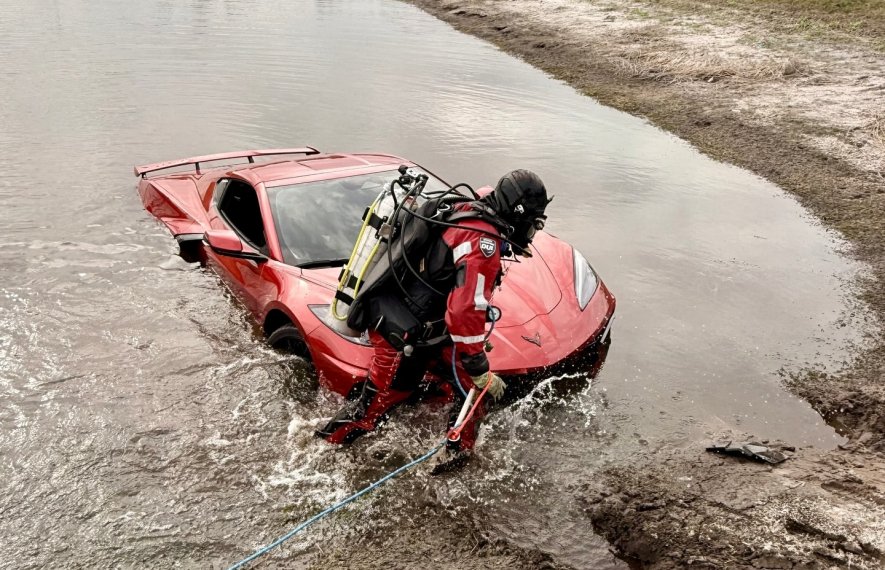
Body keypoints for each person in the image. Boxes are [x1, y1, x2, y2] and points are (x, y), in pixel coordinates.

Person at [316, 169, 551, 469]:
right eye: (534, 223)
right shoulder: (483, 241)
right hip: (400, 332)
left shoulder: (471, 209)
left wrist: (474, 354)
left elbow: (461, 302)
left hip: (427, 325)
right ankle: (321, 450)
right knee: (375, 404)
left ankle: (454, 458)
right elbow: (464, 310)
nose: (533, 232)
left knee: (475, 391)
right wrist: (478, 364)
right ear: (518, 215)